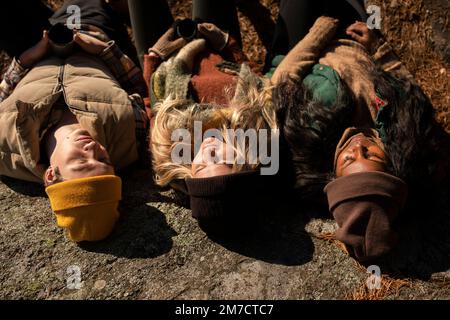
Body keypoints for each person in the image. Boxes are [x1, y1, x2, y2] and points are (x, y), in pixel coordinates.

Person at [271, 0, 449, 261]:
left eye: (349, 159)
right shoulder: (410, 137)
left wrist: (320, 32)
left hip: (302, 45)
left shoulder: (303, 143)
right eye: (372, 155)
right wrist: (379, 48)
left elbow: (279, 83)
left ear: (333, 174)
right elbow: (410, 92)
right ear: (391, 163)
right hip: (359, 41)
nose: (357, 147)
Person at [126, 0, 293, 231]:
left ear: (189, 172)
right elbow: (252, 77)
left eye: (202, 168)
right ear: (245, 162)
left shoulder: (169, 144)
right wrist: (227, 44)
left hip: (162, 54)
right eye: (224, 161)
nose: (209, 153)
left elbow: (150, 101)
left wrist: (154, 56)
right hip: (218, 41)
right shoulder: (255, 125)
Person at [0, 0, 149, 242]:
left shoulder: (5, 146)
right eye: (103, 159)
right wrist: (103, 50)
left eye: (81, 162)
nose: (92, 150)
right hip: (95, 34)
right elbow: (137, 87)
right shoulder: (129, 132)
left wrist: (25, 60)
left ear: (50, 175)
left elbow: (3, 98)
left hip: (37, 48)